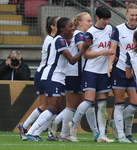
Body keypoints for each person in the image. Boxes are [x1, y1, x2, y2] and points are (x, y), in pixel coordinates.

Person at [22, 17, 91, 141]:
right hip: (52, 77)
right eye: (70, 26)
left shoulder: (62, 40)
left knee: (57, 108)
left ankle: (37, 133)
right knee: (52, 107)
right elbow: (72, 60)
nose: (73, 28)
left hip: (58, 78)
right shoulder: (59, 40)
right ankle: (30, 132)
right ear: (61, 29)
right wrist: (84, 48)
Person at [48, 12, 99, 142]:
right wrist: (102, 51)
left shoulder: (77, 34)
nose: (90, 23)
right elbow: (83, 50)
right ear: (80, 23)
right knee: (73, 105)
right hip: (74, 74)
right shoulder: (79, 34)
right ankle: (65, 133)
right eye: (88, 21)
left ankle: (96, 133)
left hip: (77, 74)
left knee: (86, 104)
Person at [68, 6, 115, 143]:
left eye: (108, 19)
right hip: (91, 71)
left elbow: (112, 48)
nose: (106, 22)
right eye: (104, 19)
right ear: (97, 18)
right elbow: (86, 54)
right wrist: (103, 53)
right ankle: (73, 125)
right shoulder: (90, 33)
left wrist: (110, 63)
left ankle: (101, 134)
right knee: (88, 101)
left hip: (104, 72)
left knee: (102, 104)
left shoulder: (110, 29)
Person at [107, 3, 137, 143]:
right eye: (132, 15)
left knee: (136, 103)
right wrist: (109, 66)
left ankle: (116, 123)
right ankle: (122, 134)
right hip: (119, 70)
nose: (134, 18)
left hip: (135, 72)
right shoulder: (118, 30)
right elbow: (112, 49)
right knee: (119, 103)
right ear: (126, 15)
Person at [18, 16, 60, 140]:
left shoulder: (55, 39)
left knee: (51, 107)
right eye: (58, 23)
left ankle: (32, 129)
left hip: (46, 74)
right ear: (52, 26)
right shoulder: (50, 40)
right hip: (44, 74)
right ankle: (26, 127)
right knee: (47, 106)